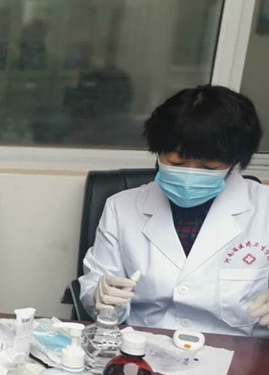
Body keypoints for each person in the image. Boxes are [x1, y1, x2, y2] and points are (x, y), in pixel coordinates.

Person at [79, 85, 269, 337]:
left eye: (208, 167)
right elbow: (97, 285)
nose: (190, 173)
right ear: (157, 152)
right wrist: (98, 296)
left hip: (238, 351)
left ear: (235, 162)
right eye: (176, 162)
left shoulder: (264, 209)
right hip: (144, 344)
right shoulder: (121, 207)